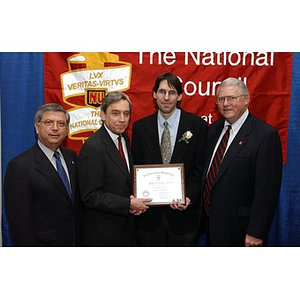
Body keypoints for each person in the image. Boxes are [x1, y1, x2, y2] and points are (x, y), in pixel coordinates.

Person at [202, 77, 283, 246]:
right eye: (221, 99)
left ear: (246, 99)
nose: (226, 104)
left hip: (242, 231)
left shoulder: (265, 136)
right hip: (211, 227)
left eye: (232, 98)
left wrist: (256, 232)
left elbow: (267, 191)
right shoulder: (213, 130)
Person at [131, 72, 208, 246]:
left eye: (172, 92)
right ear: (154, 94)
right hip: (149, 218)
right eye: (162, 91)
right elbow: (136, 166)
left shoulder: (197, 126)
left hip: (184, 217)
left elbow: (199, 169)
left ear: (180, 96)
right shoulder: (140, 127)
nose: (166, 97)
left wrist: (189, 197)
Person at [77, 91, 151, 246]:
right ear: (103, 114)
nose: (122, 119)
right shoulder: (93, 147)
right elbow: (91, 196)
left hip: (127, 229)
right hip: (104, 234)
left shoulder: (124, 138)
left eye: (126, 113)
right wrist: (128, 204)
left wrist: (133, 202)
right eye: (115, 113)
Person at [4, 103, 83, 246]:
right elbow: (19, 223)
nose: (55, 128)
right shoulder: (19, 166)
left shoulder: (71, 157)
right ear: (37, 127)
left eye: (61, 124)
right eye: (48, 122)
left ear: (66, 130)